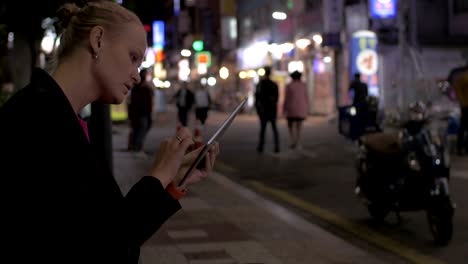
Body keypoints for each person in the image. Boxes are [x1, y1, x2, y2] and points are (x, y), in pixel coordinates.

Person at [0, 2, 219, 264]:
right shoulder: (37, 120)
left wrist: (170, 181)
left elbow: (108, 228)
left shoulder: (60, 115)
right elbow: (106, 246)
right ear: (98, 40)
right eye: (133, 57)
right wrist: (158, 174)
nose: (137, 76)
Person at [128, 68, 154, 156]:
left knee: (138, 129)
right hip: (142, 113)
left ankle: (136, 147)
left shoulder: (137, 87)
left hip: (139, 113)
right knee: (141, 129)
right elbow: (146, 102)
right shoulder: (143, 88)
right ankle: (137, 148)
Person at [255, 66, 280, 153]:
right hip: (272, 109)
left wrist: (258, 109)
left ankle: (261, 146)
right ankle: (277, 146)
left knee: (263, 129)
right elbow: (277, 98)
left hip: (264, 110)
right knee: (274, 129)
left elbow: (257, 98)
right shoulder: (274, 84)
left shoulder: (261, 84)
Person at [283, 71, 309, 149]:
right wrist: (306, 109)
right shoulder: (303, 85)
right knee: (299, 126)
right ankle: (298, 142)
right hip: (301, 109)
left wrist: (284, 109)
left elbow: (286, 98)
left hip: (291, 109)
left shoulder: (289, 86)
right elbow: (306, 97)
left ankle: (292, 140)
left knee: (290, 125)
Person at [448, 63, 468, 155]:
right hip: (466, 106)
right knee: (463, 127)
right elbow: (457, 89)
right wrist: (463, 102)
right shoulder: (464, 78)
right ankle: (459, 148)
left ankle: (465, 148)